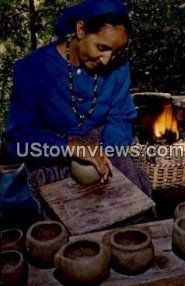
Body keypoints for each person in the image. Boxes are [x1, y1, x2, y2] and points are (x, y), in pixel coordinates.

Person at [6, 0, 153, 218]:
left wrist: (107, 152)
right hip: (52, 151)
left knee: (132, 209)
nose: (107, 60)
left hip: (106, 146)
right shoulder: (32, 68)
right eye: (102, 48)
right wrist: (70, 146)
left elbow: (121, 117)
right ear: (81, 30)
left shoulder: (119, 67)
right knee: (70, 220)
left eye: (116, 52)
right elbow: (18, 138)